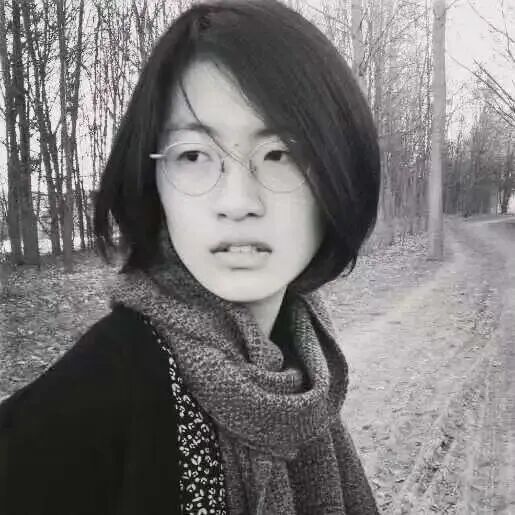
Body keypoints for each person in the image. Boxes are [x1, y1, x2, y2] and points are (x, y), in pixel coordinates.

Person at [0, 0, 381, 513]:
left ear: (340, 176)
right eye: (194, 155)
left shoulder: (304, 367)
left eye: (281, 153)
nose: (237, 202)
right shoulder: (99, 394)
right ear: (154, 182)